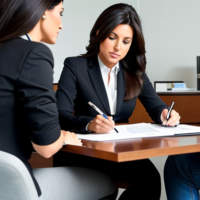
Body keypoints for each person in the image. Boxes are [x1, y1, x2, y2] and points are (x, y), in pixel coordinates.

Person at [54, 3, 181, 200]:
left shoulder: (135, 73)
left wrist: (165, 113)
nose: (117, 47)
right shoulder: (75, 66)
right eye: (112, 37)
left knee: (150, 180)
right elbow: (60, 116)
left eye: (126, 41)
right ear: (99, 32)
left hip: (119, 151)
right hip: (83, 153)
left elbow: (156, 106)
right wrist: (89, 124)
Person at [0, 0, 117, 199]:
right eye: (60, 12)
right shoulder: (34, 54)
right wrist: (63, 137)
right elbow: (46, 148)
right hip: (12, 184)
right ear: (43, 11)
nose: (61, 24)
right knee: (107, 182)